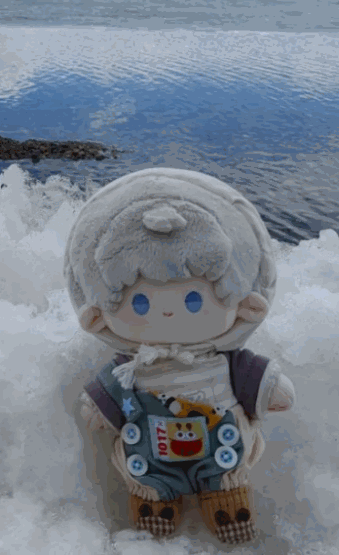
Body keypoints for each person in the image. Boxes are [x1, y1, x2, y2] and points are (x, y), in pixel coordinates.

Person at [63, 167, 296, 544]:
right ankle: (154, 508)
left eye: (193, 300)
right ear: (97, 314)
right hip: (150, 465)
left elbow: (258, 381)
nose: (168, 313)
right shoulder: (129, 370)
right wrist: (100, 408)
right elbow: (106, 400)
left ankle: (228, 508)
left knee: (227, 492)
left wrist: (269, 389)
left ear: (244, 303)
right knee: (151, 504)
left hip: (222, 461)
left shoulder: (227, 362)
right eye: (140, 302)